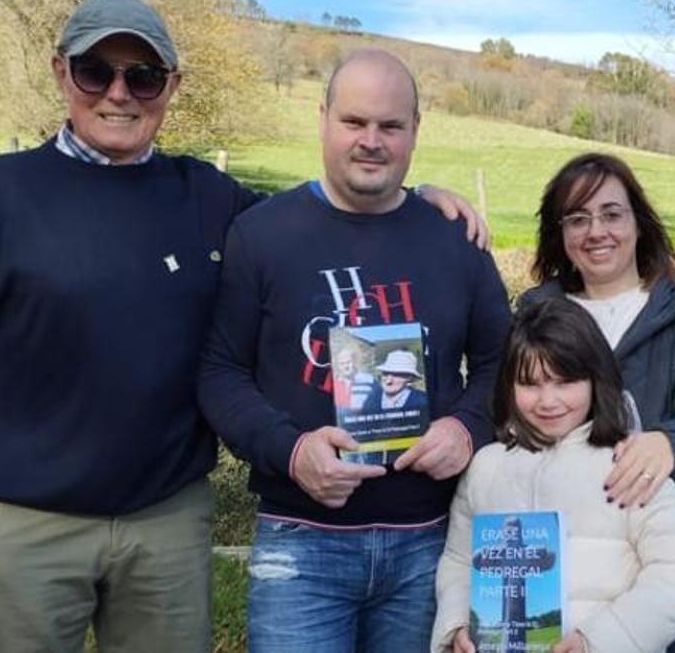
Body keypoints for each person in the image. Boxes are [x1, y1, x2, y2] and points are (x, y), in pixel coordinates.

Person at [0, 0, 485, 652]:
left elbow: (326, 218)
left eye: (142, 76)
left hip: (164, 523)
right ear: (60, 73)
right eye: (95, 72)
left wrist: (418, 200)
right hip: (24, 522)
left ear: (171, 86)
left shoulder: (208, 197)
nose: (119, 93)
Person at [197, 48, 512, 652]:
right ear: (323, 120)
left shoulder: (456, 237)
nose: (371, 141)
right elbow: (220, 371)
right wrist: (291, 452)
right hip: (300, 539)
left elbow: (503, 363)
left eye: (390, 125)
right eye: (354, 122)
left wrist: (468, 428)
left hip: (430, 538)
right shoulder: (262, 234)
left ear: (415, 130)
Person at [517, 152, 675, 651]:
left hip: (653, 578)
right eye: (578, 218)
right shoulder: (533, 320)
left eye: (612, 214)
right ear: (559, 233)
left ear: (639, 222)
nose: (597, 231)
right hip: (552, 581)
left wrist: (672, 445)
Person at [431, 297, 675, 653]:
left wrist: (600, 640)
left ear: (595, 379)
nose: (548, 401)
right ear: (508, 386)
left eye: (564, 382)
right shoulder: (486, 468)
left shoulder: (628, 464)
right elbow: (459, 561)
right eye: (530, 383)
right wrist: (457, 625)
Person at [361, 349, 429, 412]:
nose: (388, 381)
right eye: (385, 373)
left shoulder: (423, 401)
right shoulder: (372, 398)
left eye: (396, 375)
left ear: (409, 378)